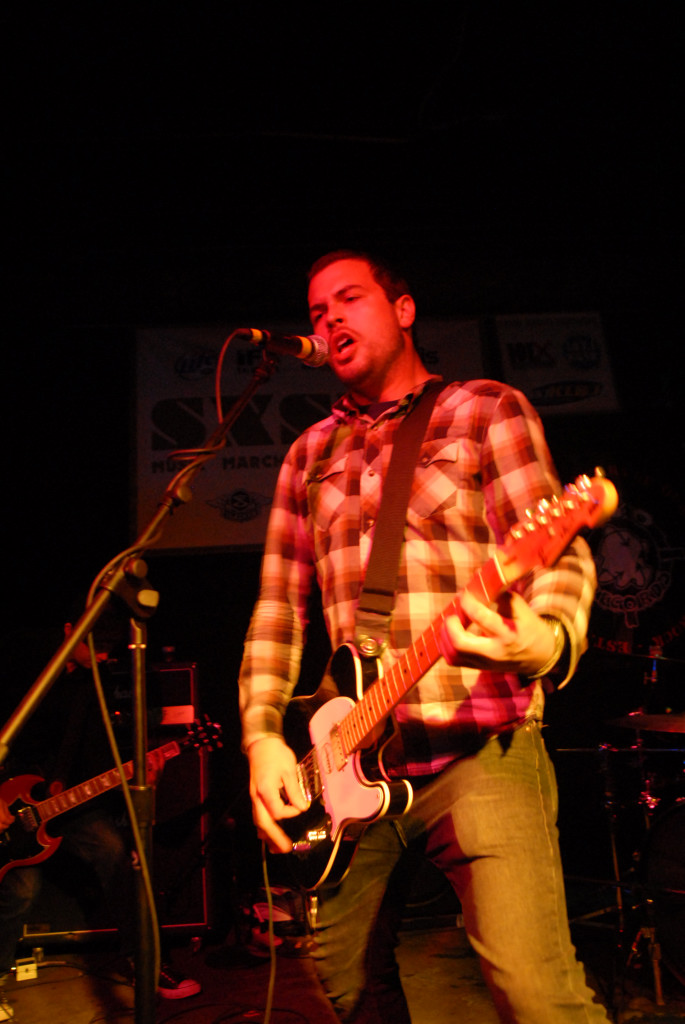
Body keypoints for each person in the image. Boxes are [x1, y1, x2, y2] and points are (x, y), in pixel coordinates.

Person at [238, 250, 610, 1022]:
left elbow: (557, 553)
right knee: (346, 989)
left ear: (403, 310)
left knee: (535, 995)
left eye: (349, 299)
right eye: (317, 312)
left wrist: (543, 640)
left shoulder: (484, 410)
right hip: (351, 764)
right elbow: (276, 611)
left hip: (479, 748)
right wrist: (262, 740)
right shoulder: (306, 455)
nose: (330, 319)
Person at [0, 615, 200, 1020]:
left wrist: (139, 771)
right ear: (69, 629)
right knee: (20, 890)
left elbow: (98, 754)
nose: (105, 655)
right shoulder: (24, 669)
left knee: (115, 853)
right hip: (10, 801)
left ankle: (147, 965)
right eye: (96, 644)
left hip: (64, 804)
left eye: (110, 646)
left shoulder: (96, 683)